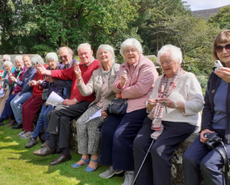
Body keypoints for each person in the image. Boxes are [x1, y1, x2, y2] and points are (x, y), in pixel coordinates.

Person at [133, 44, 204, 185]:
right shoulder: (159, 80)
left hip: (181, 122)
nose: (164, 65)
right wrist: (150, 104)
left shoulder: (188, 78)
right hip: (158, 120)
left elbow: (198, 104)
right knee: (139, 143)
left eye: (168, 62)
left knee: (158, 150)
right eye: (162, 62)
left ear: (178, 62)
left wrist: (176, 105)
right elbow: (149, 103)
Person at [98, 38, 158, 184]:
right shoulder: (123, 67)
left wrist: (120, 93)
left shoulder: (147, 66)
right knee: (106, 131)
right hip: (123, 107)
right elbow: (114, 86)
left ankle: (130, 170)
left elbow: (140, 89)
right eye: (126, 51)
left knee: (121, 135)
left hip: (140, 107)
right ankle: (113, 165)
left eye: (133, 50)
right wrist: (121, 84)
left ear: (139, 51)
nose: (130, 53)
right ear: (123, 54)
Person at [33, 43, 100, 166]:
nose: (83, 56)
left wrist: (75, 100)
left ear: (91, 52)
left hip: (87, 103)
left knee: (55, 111)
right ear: (78, 55)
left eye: (86, 53)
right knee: (63, 118)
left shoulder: (96, 65)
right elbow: (63, 73)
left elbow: (92, 89)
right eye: (81, 54)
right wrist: (46, 71)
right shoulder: (78, 65)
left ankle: (51, 144)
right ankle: (65, 153)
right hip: (75, 101)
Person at [183, 30, 230, 185]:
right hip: (214, 131)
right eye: (219, 48)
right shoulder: (215, 75)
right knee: (189, 158)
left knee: (209, 164)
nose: (224, 51)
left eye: (228, 46)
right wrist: (205, 128)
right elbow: (208, 106)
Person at [72, 44, 120, 172]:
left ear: (111, 54)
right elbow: (87, 91)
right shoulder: (96, 72)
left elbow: (120, 92)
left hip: (110, 106)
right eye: (100, 54)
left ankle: (94, 157)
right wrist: (79, 78)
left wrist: (108, 109)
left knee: (93, 125)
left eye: (106, 53)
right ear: (97, 56)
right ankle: (84, 156)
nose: (103, 55)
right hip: (97, 104)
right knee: (81, 122)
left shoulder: (119, 69)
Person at [25, 52, 64, 148]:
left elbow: (61, 88)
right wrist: (40, 83)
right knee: (42, 115)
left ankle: (47, 139)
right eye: (49, 61)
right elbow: (47, 85)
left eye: (52, 61)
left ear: (56, 60)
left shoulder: (61, 69)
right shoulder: (48, 70)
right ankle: (34, 138)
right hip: (49, 97)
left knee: (46, 114)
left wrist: (51, 100)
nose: (50, 63)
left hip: (58, 98)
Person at [0, 56, 25, 128]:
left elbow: (17, 83)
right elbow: (11, 82)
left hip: (17, 90)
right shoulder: (16, 70)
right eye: (16, 62)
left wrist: (6, 80)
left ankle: (6, 120)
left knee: (8, 102)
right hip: (13, 89)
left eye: (19, 62)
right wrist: (5, 83)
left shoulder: (22, 70)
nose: (17, 64)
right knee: (3, 101)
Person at [19, 56, 47, 138]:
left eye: (36, 66)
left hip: (41, 95)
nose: (36, 69)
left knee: (29, 108)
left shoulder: (45, 70)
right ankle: (25, 128)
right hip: (35, 93)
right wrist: (32, 82)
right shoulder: (38, 71)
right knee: (24, 106)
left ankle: (29, 130)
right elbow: (36, 81)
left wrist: (37, 84)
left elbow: (45, 85)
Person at [9, 55, 37, 129]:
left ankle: (23, 122)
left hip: (30, 92)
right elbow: (23, 84)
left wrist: (20, 93)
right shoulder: (27, 71)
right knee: (12, 102)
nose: (25, 63)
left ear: (30, 60)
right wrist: (16, 81)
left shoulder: (33, 71)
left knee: (16, 102)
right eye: (24, 61)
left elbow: (28, 86)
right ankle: (20, 122)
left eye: (27, 61)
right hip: (24, 91)